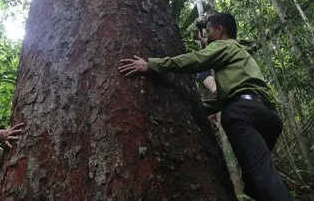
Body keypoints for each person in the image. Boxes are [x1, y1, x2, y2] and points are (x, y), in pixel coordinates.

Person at [118, 13, 293, 201]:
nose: (207, 37)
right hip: (269, 116)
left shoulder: (223, 45)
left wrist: (153, 64)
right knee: (255, 180)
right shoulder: (242, 53)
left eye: (209, 32)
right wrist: (199, 108)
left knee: (262, 176)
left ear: (219, 30)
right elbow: (228, 96)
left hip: (243, 113)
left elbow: (196, 60)